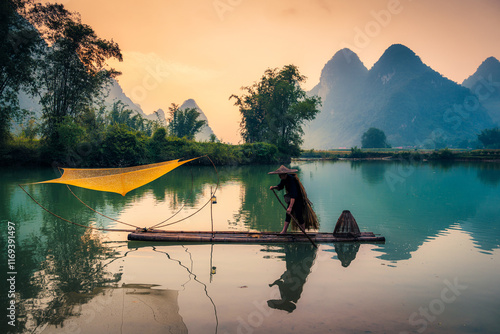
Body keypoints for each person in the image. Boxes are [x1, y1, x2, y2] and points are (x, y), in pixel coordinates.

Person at [269, 165, 318, 234]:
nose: (280, 177)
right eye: (279, 175)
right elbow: (280, 186)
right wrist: (274, 187)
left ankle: (303, 231)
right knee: (288, 214)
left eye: (281, 175)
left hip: (298, 199)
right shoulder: (284, 179)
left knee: (298, 215)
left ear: (285, 174)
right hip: (292, 198)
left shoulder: (292, 180)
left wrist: (290, 207)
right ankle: (284, 231)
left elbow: (294, 195)